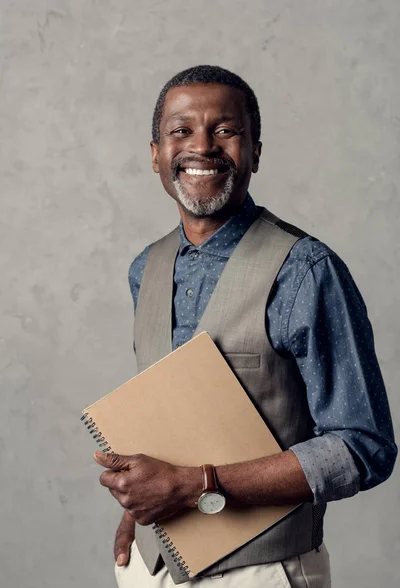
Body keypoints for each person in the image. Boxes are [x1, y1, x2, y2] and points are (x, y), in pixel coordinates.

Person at [94, 65, 397, 587]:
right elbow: (174, 416)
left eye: (225, 130)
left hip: (260, 571)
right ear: (155, 155)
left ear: (255, 150)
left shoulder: (307, 272)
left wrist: (194, 485)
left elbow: (362, 445)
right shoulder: (145, 269)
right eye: (181, 130)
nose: (202, 147)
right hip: (151, 566)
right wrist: (137, 509)